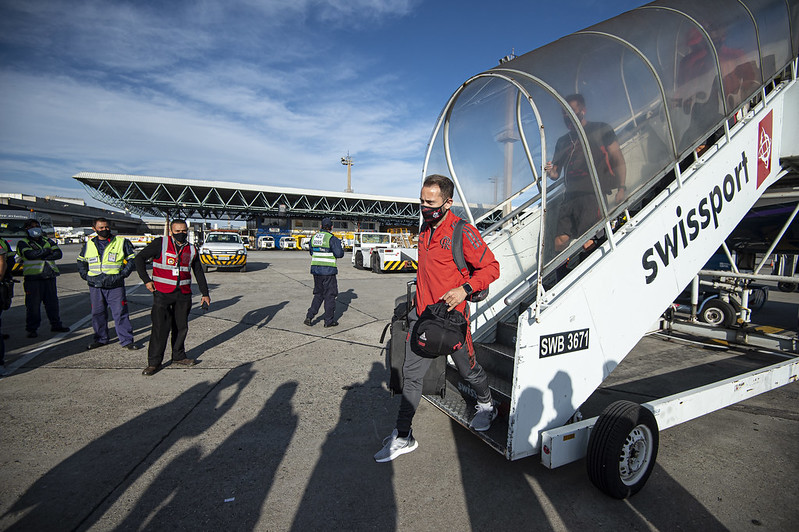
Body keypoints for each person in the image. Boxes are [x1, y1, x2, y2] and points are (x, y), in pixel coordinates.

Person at [374, 174, 500, 463]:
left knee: (468, 371)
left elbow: (491, 268)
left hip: (451, 322)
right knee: (411, 375)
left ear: (448, 202)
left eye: (430, 202)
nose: (424, 206)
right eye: (421, 200)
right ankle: (403, 435)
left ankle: (486, 405)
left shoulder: (462, 232)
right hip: (423, 318)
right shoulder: (424, 230)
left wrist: (464, 289)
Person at [545, 94, 627, 253]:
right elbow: (556, 173)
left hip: (592, 192)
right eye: (565, 115)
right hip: (570, 196)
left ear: (583, 111)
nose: (568, 118)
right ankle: (563, 274)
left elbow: (617, 157)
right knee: (559, 240)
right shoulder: (563, 141)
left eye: (572, 112)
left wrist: (621, 187)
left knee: (586, 237)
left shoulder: (600, 129)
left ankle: (597, 267)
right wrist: (550, 171)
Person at [135, 219, 210, 376]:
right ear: (171, 231)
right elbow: (139, 259)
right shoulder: (160, 244)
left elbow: (198, 271)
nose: (181, 234)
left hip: (183, 294)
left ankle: (179, 356)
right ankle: (154, 363)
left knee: (181, 327)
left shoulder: (191, 248)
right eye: (177, 231)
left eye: (184, 231)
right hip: (162, 293)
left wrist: (205, 293)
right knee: (160, 329)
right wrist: (147, 280)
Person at [77, 218, 139, 351]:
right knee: (97, 313)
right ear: (94, 229)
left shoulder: (121, 242)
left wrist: (122, 275)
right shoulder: (89, 245)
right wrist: (85, 275)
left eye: (106, 227)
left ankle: (126, 340)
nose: (105, 230)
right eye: (101, 228)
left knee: (120, 313)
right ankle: (100, 339)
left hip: (115, 285)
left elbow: (131, 259)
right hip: (95, 285)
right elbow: (81, 261)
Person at [16, 219, 70, 338]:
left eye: (37, 226)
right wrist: (46, 251)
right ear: (26, 229)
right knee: (33, 306)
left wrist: (40, 253)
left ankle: (56, 325)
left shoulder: (47, 240)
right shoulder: (23, 242)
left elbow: (58, 254)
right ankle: (32, 329)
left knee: (52, 304)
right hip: (33, 279)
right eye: (32, 227)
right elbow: (29, 255)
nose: (35, 229)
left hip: (49, 277)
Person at [304, 217, 345, 328]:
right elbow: (339, 254)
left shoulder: (313, 238)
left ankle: (309, 316)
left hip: (316, 271)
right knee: (330, 296)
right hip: (328, 272)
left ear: (321, 227)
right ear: (331, 227)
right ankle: (328, 321)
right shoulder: (332, 238)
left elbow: (312, 252)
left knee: (318, 294)